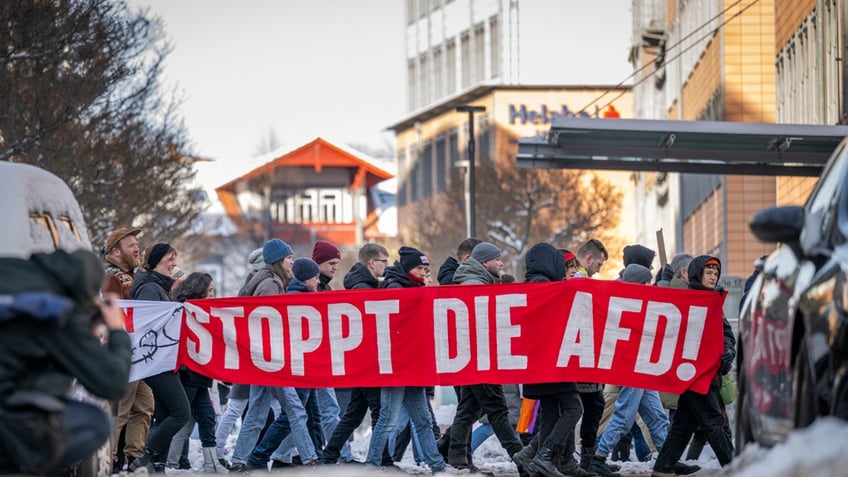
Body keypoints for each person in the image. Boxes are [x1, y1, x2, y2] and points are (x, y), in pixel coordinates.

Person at [0, 249, 132, 475]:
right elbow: (112, 382)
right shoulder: (53, 310)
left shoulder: (9, 271)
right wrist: (117, 330)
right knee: (94, 422)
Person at [591, 265, 701, 476]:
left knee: (657, 416)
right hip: (630, 368)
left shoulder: (633, 303)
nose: (649, 286)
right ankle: (598, 457)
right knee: (624, 416)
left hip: (641, 367)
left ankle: (669, 459)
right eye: (646, 283)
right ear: (638, 285)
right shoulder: (628, 306)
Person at [366, 246, 459, 474]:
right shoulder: (395, 286)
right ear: (408, 269)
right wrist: (426, 293)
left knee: (423, 420)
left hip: (413, 367)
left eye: (426, 269)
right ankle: (371, 464)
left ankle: (436, 465)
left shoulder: (413, 286)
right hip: (397, 366)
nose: (424, 273)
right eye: (420, 268)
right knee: (388, 418)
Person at [444, 242, 527, 472]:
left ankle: (457, 458)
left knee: (468, 410)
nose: (501, 263)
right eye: (497, 259)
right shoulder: (474, 285)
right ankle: (519, 456)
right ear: (485, 262)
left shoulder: (479, 282)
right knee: (498, 408)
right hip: (479, 356)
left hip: (475, 357)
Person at [651, 256, 735, 477]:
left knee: (683, 424)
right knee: (713, 421)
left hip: (710, 372)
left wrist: (728, 351)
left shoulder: (715, 301)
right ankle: (736, 467)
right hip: (693, 374)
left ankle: (663, 467)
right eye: (708, 272)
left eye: (715, 273)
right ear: (698, 273)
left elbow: (726, 334)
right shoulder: (685, 299)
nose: (713, 277)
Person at [512, 242, 589, 477]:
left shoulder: (534, 285)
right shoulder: (545, 287)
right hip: (551, 361)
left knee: (551, 414)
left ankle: (532, 457)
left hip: (541, 364)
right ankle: (544, 455)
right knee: (574, 408)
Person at [242, 242, 320, 470]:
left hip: (271, 357)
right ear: (278, 261)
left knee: (258, 414)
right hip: (274, 358)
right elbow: (268, 323)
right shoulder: (270, 285)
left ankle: (244, 461)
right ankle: (309, 459)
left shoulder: (276, 283)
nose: (292, 262)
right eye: (288, 258)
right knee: (295, 411)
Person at [323, 243, 392, 465]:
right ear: (372, 263)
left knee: (353, 415)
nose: (387, 266)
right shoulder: (363, 288)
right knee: (379, 412)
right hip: (367, 361)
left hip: (363, 361)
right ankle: (384, 459)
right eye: (384, 262)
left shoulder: (364, 284)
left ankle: (329, 455)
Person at [128, 243, 192, 472]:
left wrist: (178, 308)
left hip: (162, 358)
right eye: (170, 259)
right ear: (156, 260)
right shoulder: (149, 288)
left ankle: (158, 466)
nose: (174, 264)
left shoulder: (157, 287)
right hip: (156, 361)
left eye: (175, 259)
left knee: (165, 414)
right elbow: (149, 325)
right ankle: (144, 457)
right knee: (182, 412)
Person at [102, 226, 155, 473]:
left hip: (137, 354)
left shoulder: (132, 276)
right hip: (123, 353)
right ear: (115, 251)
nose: (137, 249)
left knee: (144, 405)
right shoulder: (110, 278)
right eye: (132, 245)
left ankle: (133, 456)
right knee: (121, 409)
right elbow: (114, 314)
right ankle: (110, 458)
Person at [164, 272, 227, 473]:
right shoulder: (184, 309)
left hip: (201, 375)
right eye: (209, 290)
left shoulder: (205, 310)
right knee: (182, 419)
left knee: (207, 418)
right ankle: (170, 463)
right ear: (199, 290)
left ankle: (211, 463)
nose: (212, 294)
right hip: (188, 374)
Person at [571, 239, 617, 476]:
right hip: (582, 359)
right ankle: (584, 459)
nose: (599, 269)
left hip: (585, 358)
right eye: (598, 264)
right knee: (587, 407)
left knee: (592, 406)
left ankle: (586, 458)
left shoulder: (577, 280)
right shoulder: (578, 282)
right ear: (588, 258)